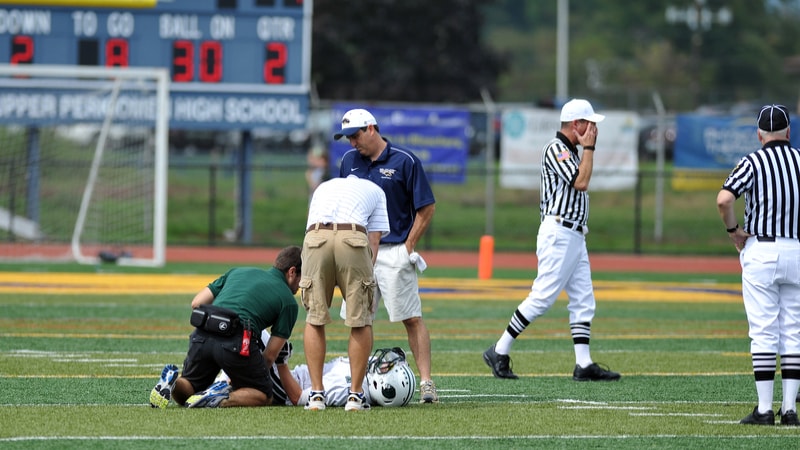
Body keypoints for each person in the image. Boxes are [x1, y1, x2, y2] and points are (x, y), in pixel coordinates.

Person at [482, 99, 621, 382]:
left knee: (583, 300)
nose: (593, 129)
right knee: (543, 297)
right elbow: (580, 182)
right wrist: (591, 148)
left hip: (575, 234)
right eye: (589, 123)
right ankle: (499, 350)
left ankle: (583, 364)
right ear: (576, 124)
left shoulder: (570, 150)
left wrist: (587, 149)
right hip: (559, 232)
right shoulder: (556, 148)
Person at [335, 108, 440, 403]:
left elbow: (427, 206)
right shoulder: (348, 162)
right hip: (358, 252)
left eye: (355, 135)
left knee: (411, 317)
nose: (352, 142)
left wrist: (409, 244)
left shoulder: (404, 160)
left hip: (394, 249)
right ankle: (355, 386)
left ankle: (427, 382)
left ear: (371, 129)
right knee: (358, 320)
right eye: (347, 137)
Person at [716, 104, 800, 427]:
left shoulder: (752, 161)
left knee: (764, 330)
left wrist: (733, 230)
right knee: (793, 330)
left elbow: (724, 199)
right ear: (789, 132)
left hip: (762, 250)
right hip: (796, 249)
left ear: (760, 135)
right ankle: (790, 410)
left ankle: (764, 409)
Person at [148, 246, 302, 408]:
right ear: (292, 272)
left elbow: (197, 303)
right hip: (237, 337)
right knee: (262, 394)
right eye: (303, 277)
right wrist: (247, 377)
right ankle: (219, 396)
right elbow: (269, 356)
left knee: (190, 387)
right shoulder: (289, 302)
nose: (302, 285)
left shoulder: (237, 271)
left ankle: (173, 382)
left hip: (203, 330)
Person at [301, 174, 390, 411]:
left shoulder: (324, 187)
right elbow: (373, 241)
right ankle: (355, 396)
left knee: (314, 318)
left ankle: (316, 395)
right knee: (360, 321)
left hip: (315, 235)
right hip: (352, 235)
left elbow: (310, 227)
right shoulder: (376, 190)